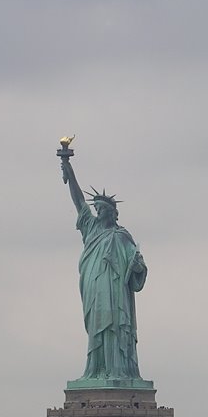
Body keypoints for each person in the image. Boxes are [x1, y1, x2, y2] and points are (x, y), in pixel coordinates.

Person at [60, 155, 147, 381]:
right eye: (96, 208)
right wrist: (70, 172)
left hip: (116, 292)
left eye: (102, 209)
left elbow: (137, 267)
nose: (98, 212)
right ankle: (96, 370)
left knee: (115, 327)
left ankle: (118, 370)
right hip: (95, 287)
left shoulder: (122, 236)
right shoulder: (91, 228)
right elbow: (79, 202)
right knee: (97, 325)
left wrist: (137, 266)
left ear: (112, 211)